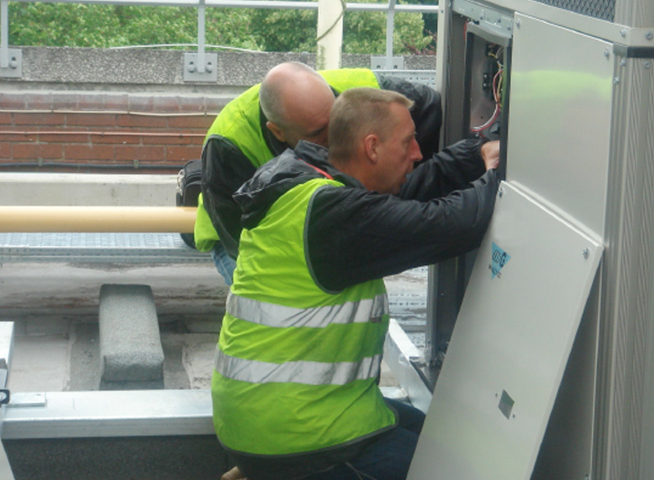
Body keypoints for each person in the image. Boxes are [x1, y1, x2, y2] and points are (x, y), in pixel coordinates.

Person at [211, 87, 500, 480]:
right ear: (372, 148)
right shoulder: (333, 214)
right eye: (409, 141)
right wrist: (498, 174)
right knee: (451, 468)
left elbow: (413, 190)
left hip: (272, 414)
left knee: (440, 436)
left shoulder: (305, 180)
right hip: (298, 433)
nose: (418, 152)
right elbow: (452, 225)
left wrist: (477, 150)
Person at [196, 62, 442, 285]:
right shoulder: (229, 144)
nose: (333, 137)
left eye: (336, 121)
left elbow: (431, 109)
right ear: (278, 132)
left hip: (317, 221)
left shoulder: (365, 93)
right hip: (241, 232)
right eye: (316, 133)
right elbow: (241, 243)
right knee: (275, 292)